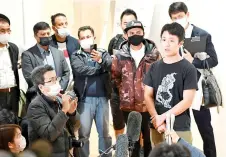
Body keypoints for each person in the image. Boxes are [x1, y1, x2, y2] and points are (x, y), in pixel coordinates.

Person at [168, 2, 218, 157]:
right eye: (174, 18)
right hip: (177, 90)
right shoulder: (171, 36)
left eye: (180, 16)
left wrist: (193, 62)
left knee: (205, 130)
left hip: (198, 91)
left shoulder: (202, 34)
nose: (178, 20)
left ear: (187, 15)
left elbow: (214, 60)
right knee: (181, 131)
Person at [111, 20, 160, 157]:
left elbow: (159, 76)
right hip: (128, 105)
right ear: (126, 35)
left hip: (147, 103)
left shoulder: (154, 53)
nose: (135, 35)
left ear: (143, 33)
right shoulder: (120, 55)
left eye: (138, 32)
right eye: (131, 33)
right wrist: (124, 90)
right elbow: (115, 76)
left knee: (148, 137)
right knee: (133, 139)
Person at [144, 22, 197, 145]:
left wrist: (163, 117)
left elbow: (187, 101)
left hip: (179, 128)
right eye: (164, 39)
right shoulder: (154, 67)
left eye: (171, 41)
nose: (166, 44)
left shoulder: (189, 68)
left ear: (180, 43)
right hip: (157, 126)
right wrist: (157, 119)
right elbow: (147, 95)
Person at [70, 26, 112, 157]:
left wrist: (100, 60)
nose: (85, 39)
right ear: (79, 40)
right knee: (83, 134)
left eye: (88, 36)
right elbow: (80, 70)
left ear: (94, 37)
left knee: (104, 133)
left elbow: (110, 65)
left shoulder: (103, 52)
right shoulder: (76, 55)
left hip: (103, 99)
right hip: (84, 100)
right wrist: (100, 69)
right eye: (82, 37)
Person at [26, 65, 79, 157]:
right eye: (50, 81)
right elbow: (49, 135)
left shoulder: (59, 99)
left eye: (56, 79)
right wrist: (64, 110)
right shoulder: (35, 106)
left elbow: (76, 126)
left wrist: (72, 113)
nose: (55, 83)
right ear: (41, 87)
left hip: (65, 151)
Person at [21, 22, 70, 104]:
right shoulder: (28, 55)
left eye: (48, 33)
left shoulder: (58, 53)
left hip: (58, 96)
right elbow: (29, 77)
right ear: (36, 36)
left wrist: (58, 88)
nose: (46, 36)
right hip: (38, 98)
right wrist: (47, 90)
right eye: (43, 34)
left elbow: (66, 72)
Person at [108, 8, 138, 138]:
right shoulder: (114, 41)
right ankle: (121, 151)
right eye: (125, 23)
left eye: (132, 22)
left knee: (135, 126)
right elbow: (108, 63)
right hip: (116, 92)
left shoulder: (142, 43)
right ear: (121, 25)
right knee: (118, 125)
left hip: (135, 94)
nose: (129, 25)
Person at [51, 13, 80, 91]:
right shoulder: (49, 43)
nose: (64, 26)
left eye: (66, 23)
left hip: (73, 84)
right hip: (55, 85)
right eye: (60, 24)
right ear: (54, 28)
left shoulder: (74, 42)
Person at [0, 14, 20, 116]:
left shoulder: (13, 48)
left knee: (13, 124)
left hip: (12, 94)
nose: (6, 33)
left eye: (8, 30)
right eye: (2, 31)